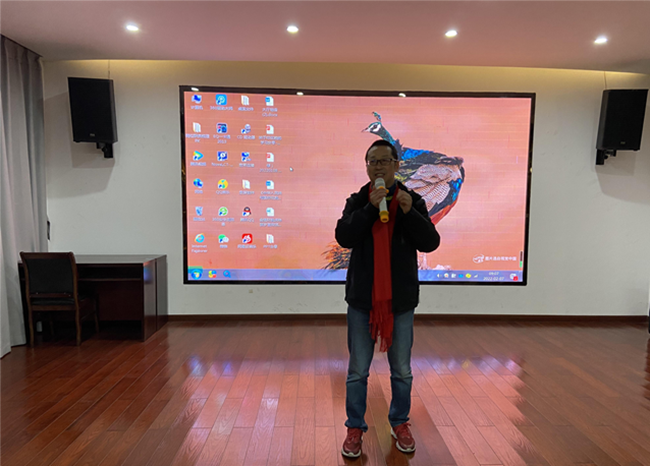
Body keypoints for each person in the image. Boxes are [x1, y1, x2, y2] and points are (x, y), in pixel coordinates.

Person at [335, 140, 440, 458]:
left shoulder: (413, 200)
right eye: (372, 161)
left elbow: (430, 243)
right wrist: (370, 209)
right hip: (363, 300)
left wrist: (409, 213)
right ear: (367, 166)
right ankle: (355, 427)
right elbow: (344, 237)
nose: (378, 166)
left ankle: (399, 422)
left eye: (384, 161)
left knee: (402, 371)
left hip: (400, 301)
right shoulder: (358, 201)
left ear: (396, 165)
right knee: (357, 371)